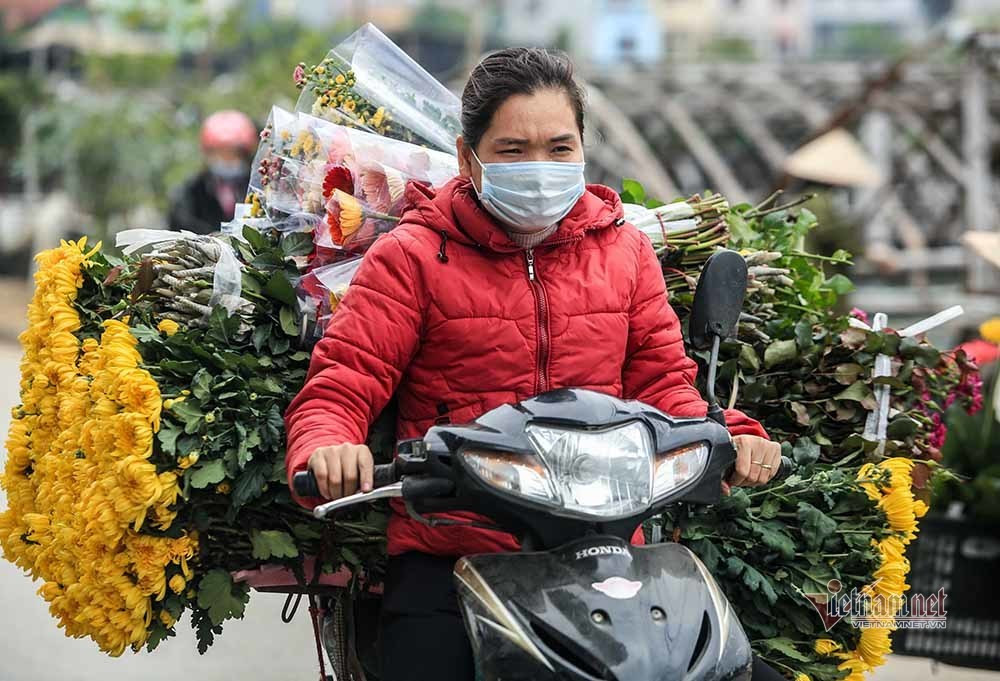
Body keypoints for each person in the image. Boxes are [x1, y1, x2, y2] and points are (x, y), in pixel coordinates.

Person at [285, 48, 785, 681]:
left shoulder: (625, 252)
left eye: (559, 148)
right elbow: (340, 387)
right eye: (513, 150)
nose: (539, 168)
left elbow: (665, 389)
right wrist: (328, 448)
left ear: (582, 151)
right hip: (455, 554)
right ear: (469, 160)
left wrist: (730, 436)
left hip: (606, 557)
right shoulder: (410, 257)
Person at [167, 110, 257, 235]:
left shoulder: (259, 189)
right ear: (208, 153)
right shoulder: (191, 192)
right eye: (220, 153)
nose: (227, 160)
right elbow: (179, 230)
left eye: (233, 153)